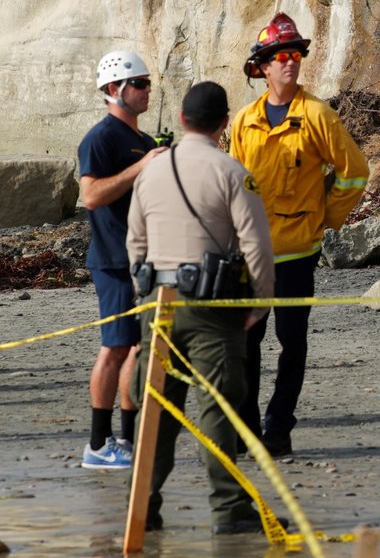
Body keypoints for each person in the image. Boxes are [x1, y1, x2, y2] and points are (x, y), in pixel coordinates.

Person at [127, 81, 277, 533]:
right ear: (224, 123)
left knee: (155, 406)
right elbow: (257, 247)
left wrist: (144, 297)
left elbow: (134, 241)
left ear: (181, 120)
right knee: (217, 406)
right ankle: (229, 510)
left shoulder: (150, 172)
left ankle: (143, 507)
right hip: (213, 306)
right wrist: (262, 304)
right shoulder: (232, 172)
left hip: (157, 302)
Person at [231, 13, 369, 457]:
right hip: (251, 255)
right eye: (280, 57)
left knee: (292, 344)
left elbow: (354, 172)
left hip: (295, 254)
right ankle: (246, 428)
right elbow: (233, 182)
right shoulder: (244, 121)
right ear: (263, 68)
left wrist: (326, 218)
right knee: (246, 344)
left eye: (294, 55)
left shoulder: (317, 116)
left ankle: (279, 427)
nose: (290, 63)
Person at [78, 51, 167, 469]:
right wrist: (142, 167)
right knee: (114, 349)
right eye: (141, 83)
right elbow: (91, 195)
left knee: (136, 349)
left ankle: (129, 440)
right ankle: (97, 444)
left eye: (148, 82)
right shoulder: (101, 138)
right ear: (115, 89)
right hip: (113, 260)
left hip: (143, 260)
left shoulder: (145, 142)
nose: (148, 90)